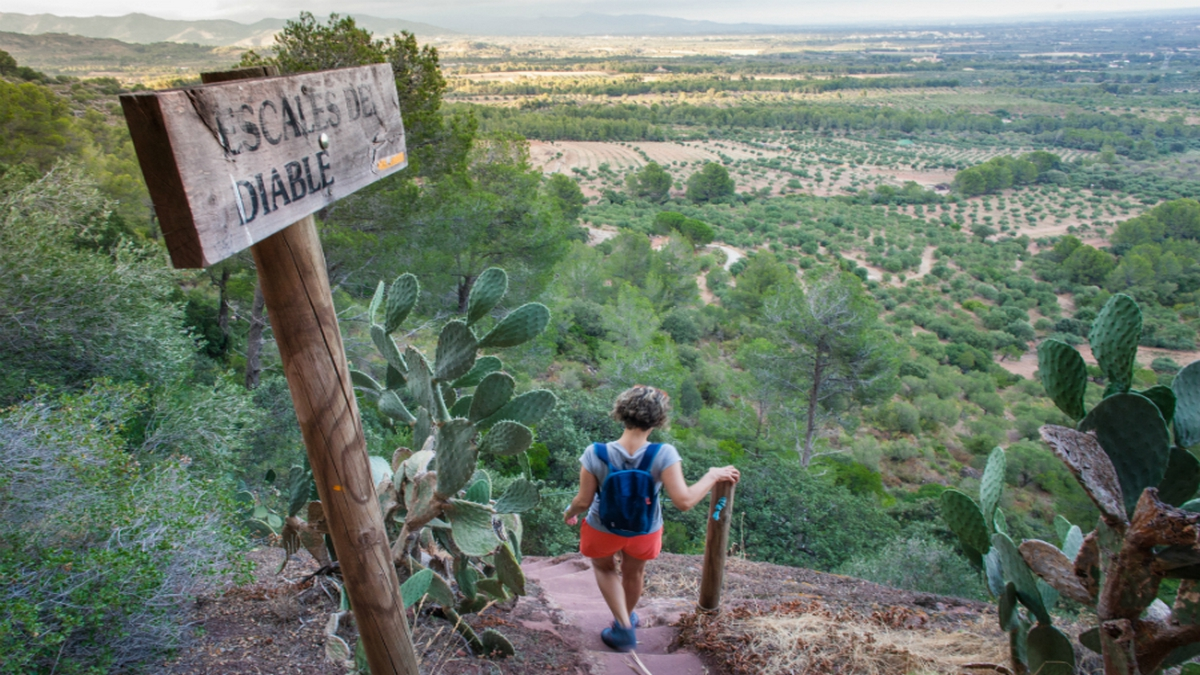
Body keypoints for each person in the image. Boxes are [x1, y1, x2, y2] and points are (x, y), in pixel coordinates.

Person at [563, 385, 740, 652]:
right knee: (634, 572)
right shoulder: (663, 454)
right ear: (658, 419)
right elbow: (684, 501)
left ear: (621, 412)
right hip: (644, 530)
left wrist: (570, 513)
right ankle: (624, 619)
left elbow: (583, 501)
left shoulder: (595, 452)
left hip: (602, 527)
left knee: (604, 568)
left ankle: (622, 626)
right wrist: (712, 475)